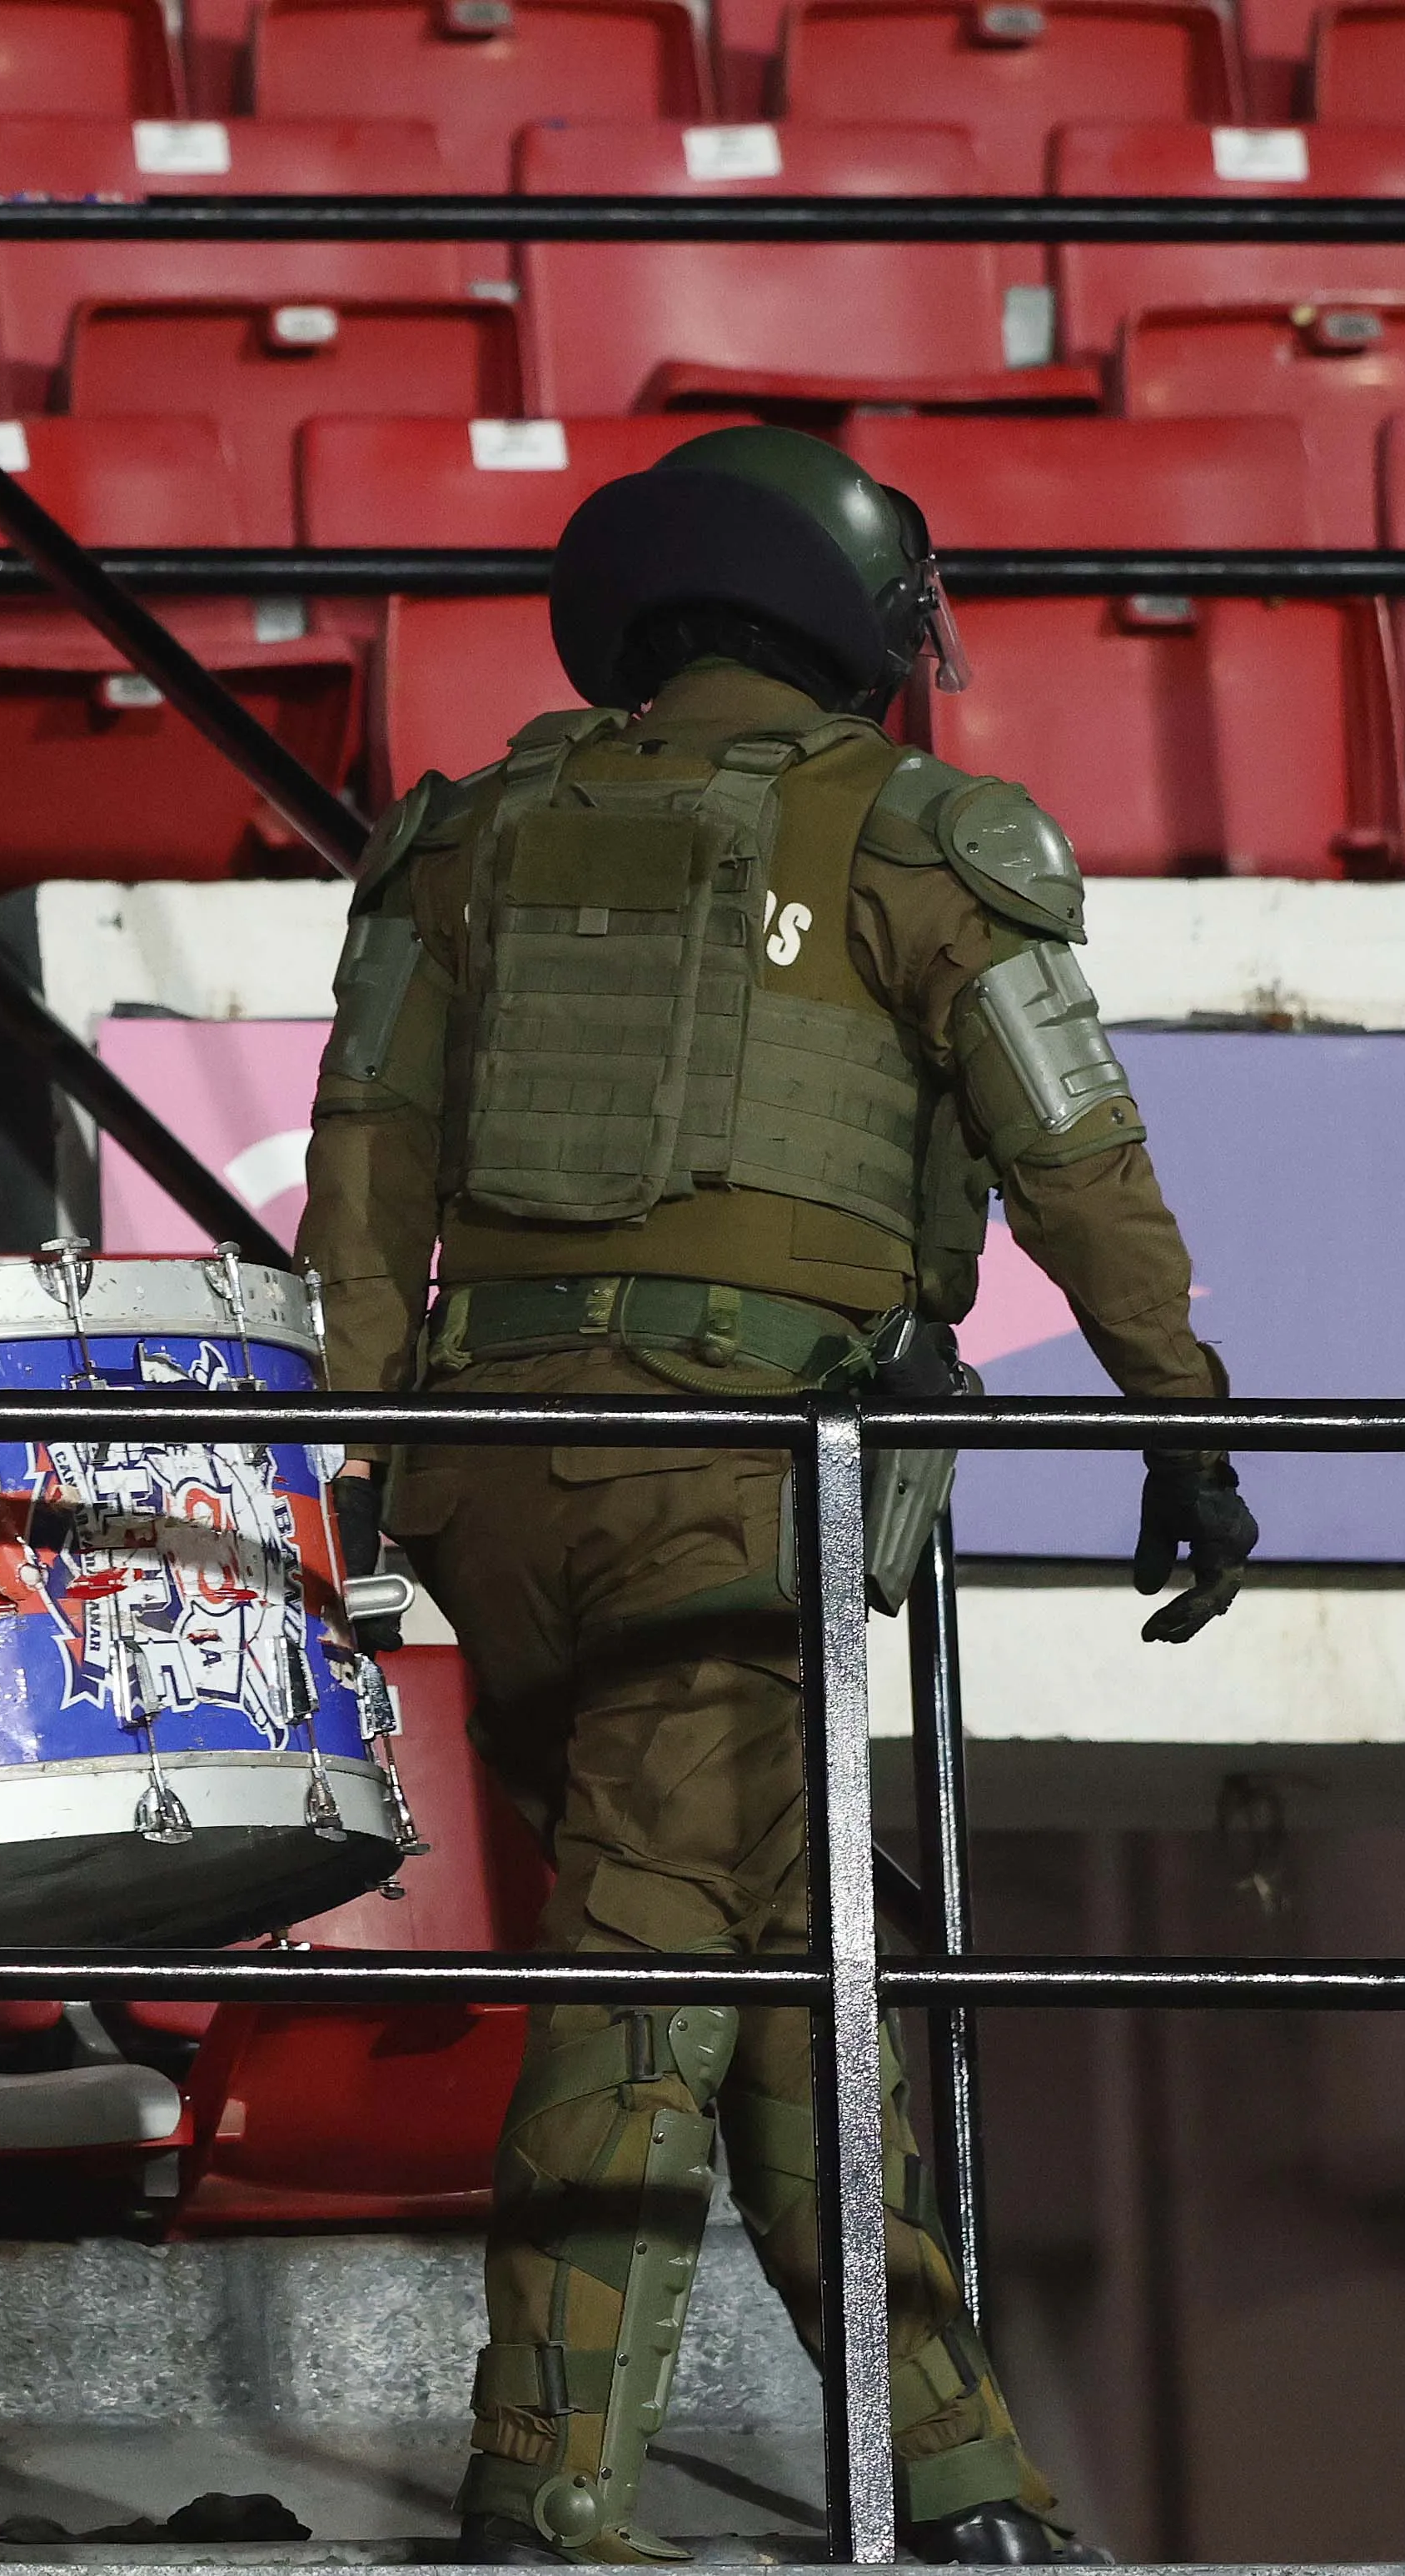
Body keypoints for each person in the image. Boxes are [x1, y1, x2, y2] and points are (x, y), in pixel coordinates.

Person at [296, 425, 1259, 2566]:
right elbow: (1075, 1164)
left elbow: (356, 1180)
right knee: (658, 1965)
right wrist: (1179, 1426)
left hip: (502, 1489)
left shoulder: (465, 839)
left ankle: (968, 2481)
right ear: (842, 608)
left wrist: (364, 1470)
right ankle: (542, 2498)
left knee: (777, 1968)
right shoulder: (925, 835)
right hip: (741, 1488)